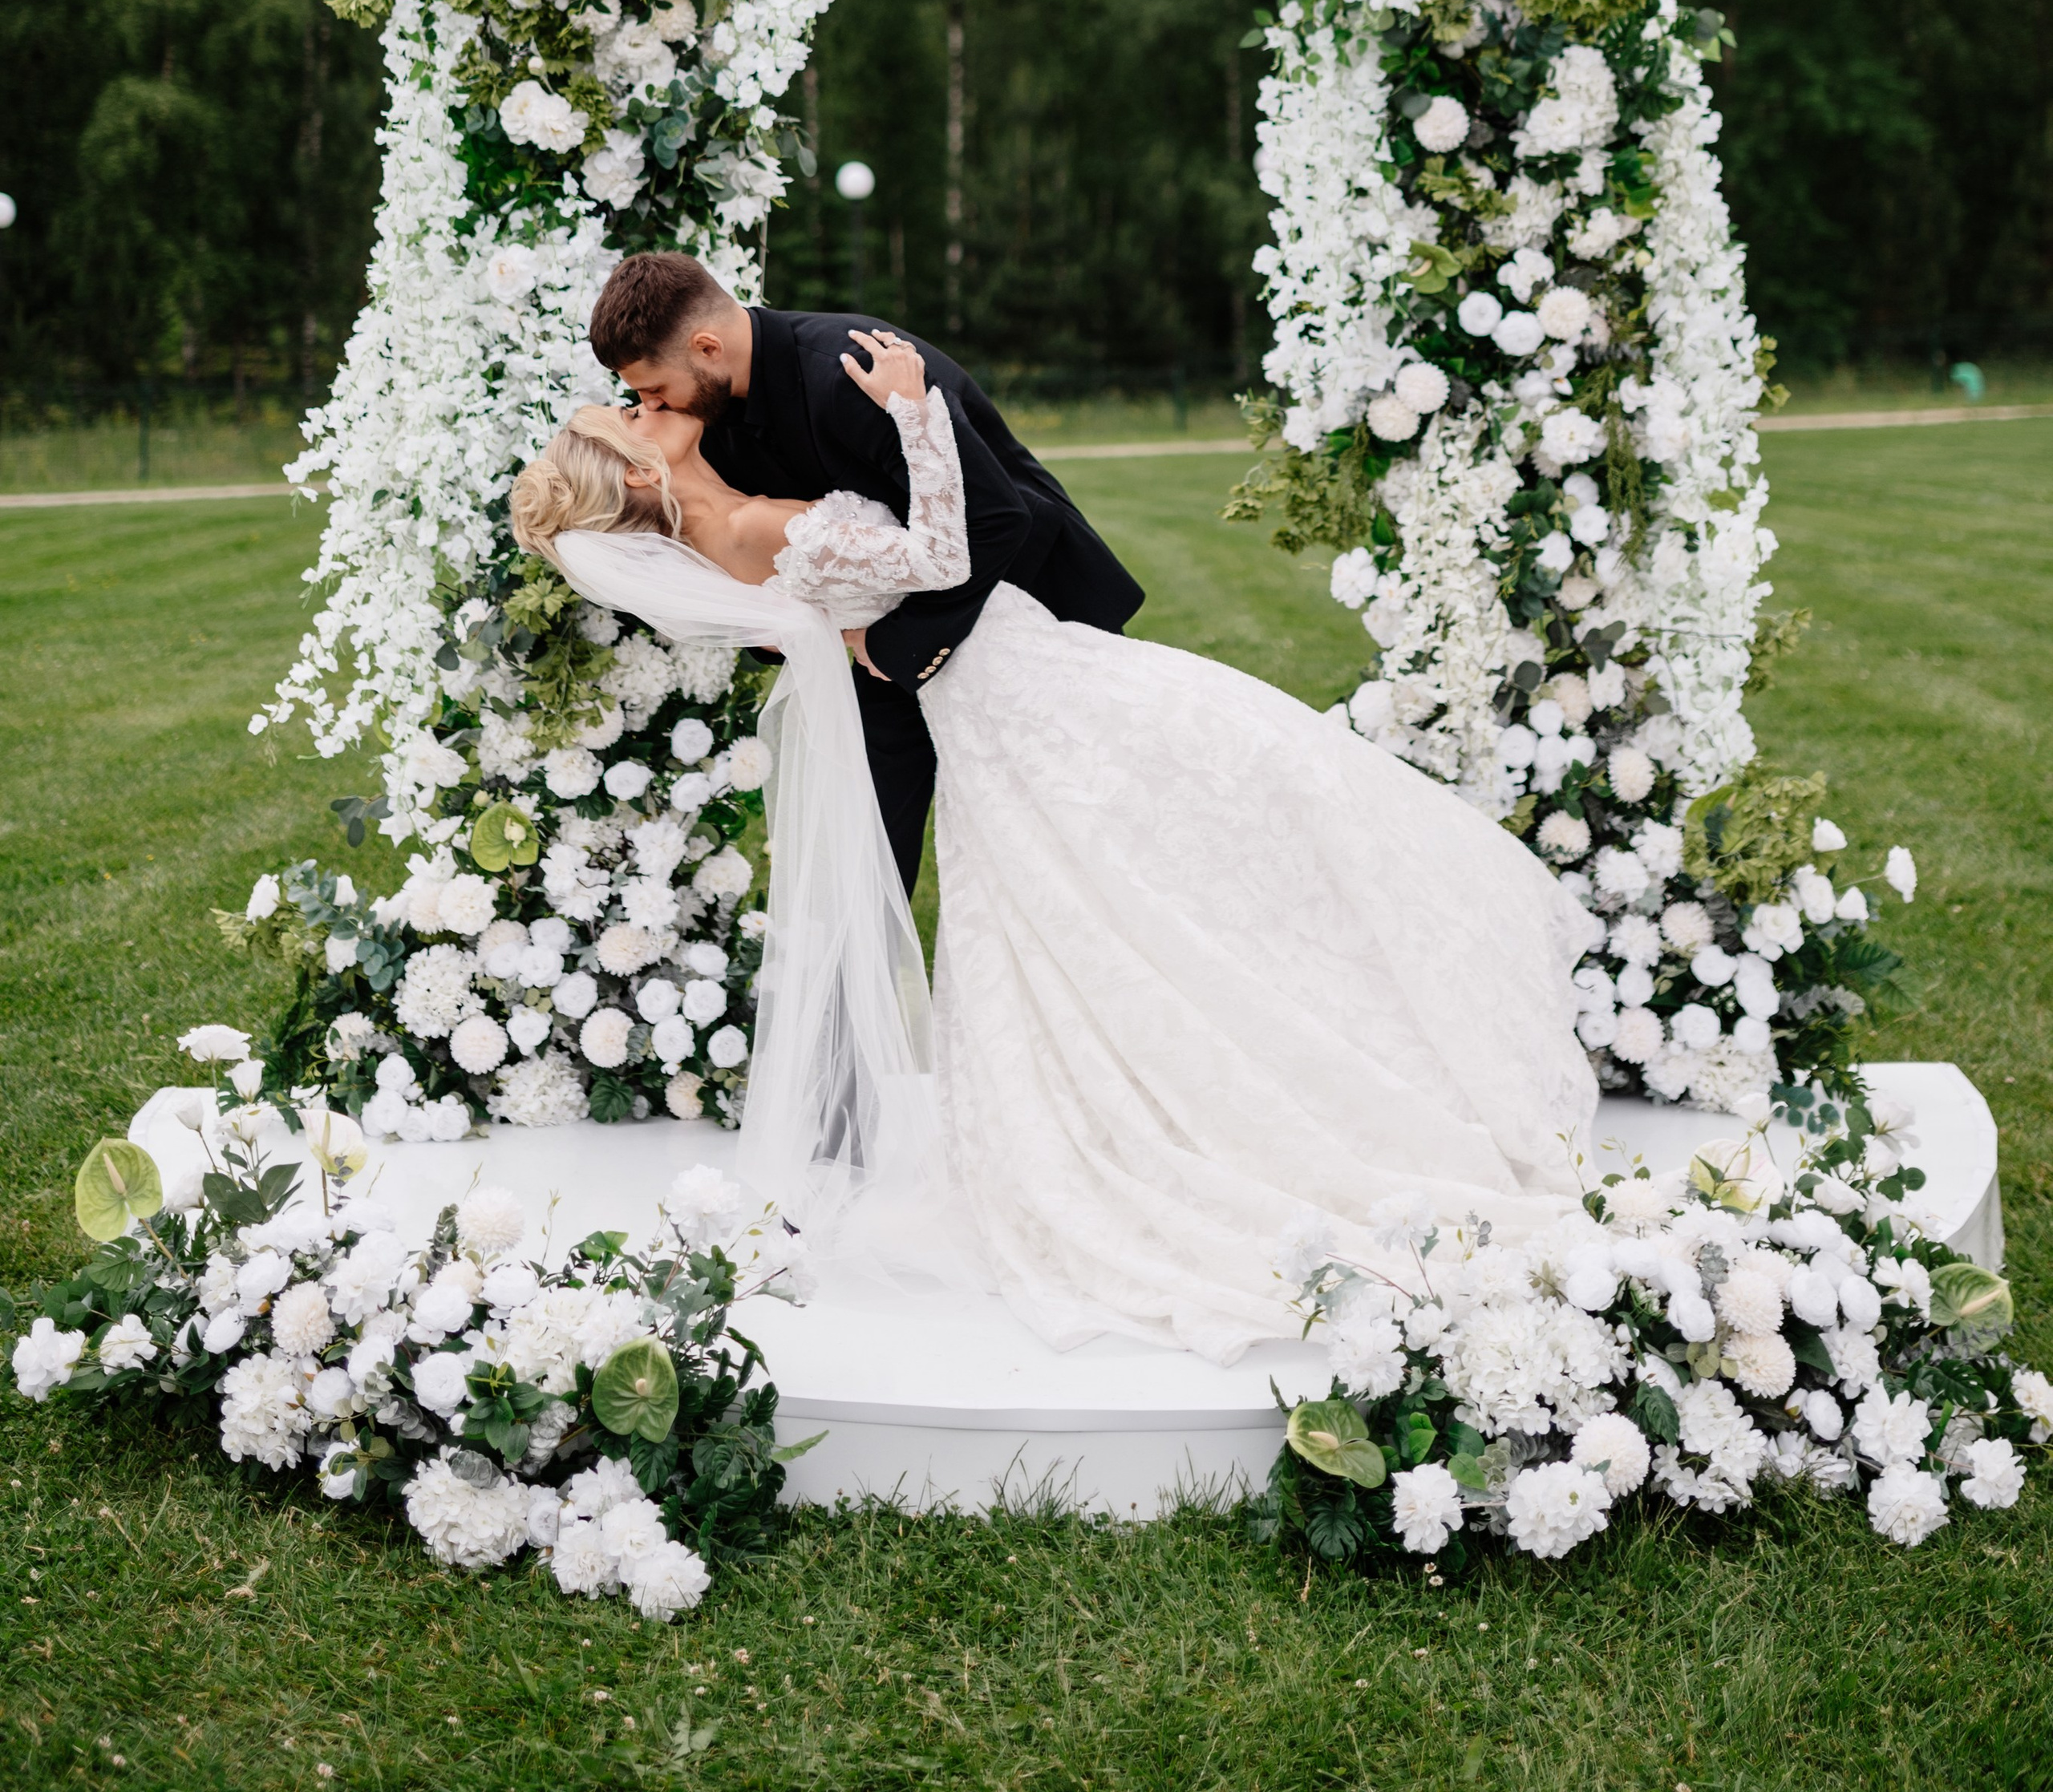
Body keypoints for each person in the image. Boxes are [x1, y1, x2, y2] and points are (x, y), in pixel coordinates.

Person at [510, 341, 1600, 1365]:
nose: (645, 404)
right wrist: (914, 415)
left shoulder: (724, 534)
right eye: (631, 412)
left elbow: (818, 605)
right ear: (641, 471)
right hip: (1026, 689)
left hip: (1000, 697)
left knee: (1137, 879)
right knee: (1263, 786)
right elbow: (942, 552)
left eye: (638, 390)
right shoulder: (743, 527)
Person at [585, 251, 1142, 900]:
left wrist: (896, 648)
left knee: (1085, 837)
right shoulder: (707, 417)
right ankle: (858, 989)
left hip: (1024, 605)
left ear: (707, 347)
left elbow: (995, 519)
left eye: (654, 390)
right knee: (865, 850)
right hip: (890, 636)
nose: (650, 406)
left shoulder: (852, 368)